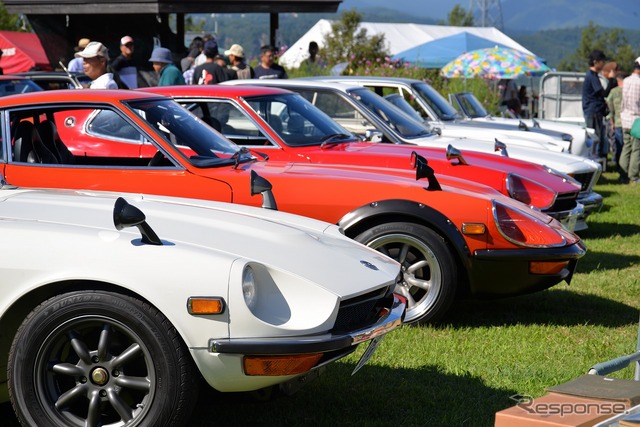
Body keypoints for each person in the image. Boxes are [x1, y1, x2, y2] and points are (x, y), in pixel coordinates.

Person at [582, 49, 608, 158]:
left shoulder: (592, 75)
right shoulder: (592, 76)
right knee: (595, 138)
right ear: (596, 62)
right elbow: (602, 93)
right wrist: (611, 81)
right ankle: (594, 158)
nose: (603, 64)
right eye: (602, 62)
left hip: (593, 110)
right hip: (594, 111)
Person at [619, 57, 640, 184]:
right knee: (636, 149)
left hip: (625, 117)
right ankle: (634, 176)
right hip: (636, 119)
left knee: (626, 147)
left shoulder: (626, 81)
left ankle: (622, 175)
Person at [606, 71, 628, 180]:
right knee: (629, 147)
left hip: (618, 122)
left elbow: (609, 104)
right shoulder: (629, 90)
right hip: (629, 122)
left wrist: (612, 121)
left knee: (619, 146)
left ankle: (620, 168)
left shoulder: (614, 91)